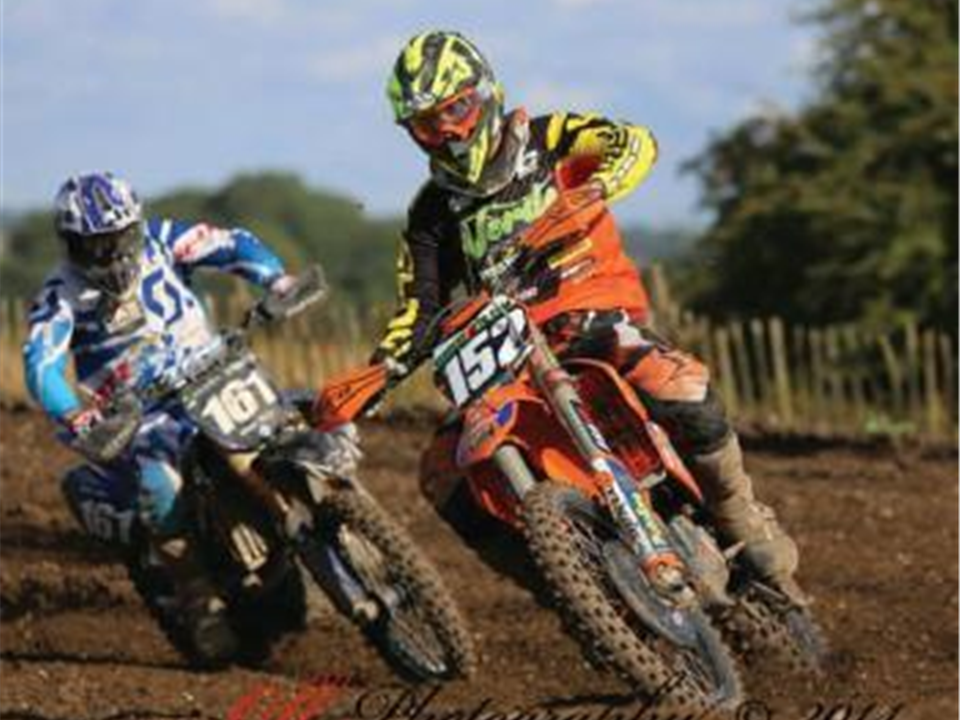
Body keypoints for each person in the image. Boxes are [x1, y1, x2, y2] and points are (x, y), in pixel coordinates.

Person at [369, 30, 805, 603]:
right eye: (427, 124)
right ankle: (566, 590)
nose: (447, 130)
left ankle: (738, 512)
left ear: (485, 94)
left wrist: (594, 188)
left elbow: (634, 142)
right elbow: (419, 308)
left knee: (675, 382)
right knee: (442, 471)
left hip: (587, 307)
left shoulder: (548, 137)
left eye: (456, 109)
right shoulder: (430, 214)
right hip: (508, 351)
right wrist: (376, 372)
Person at [22, 171, 296, 662]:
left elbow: (229, 244)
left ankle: (320, 503)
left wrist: (274, 277)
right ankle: (199, 601)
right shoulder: (61, 295)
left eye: (118, 240)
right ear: (71, 245)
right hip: (140, 412)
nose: (111, 256)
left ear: (135, 227)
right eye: (94, 247)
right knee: (158, 484)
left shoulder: (165, 239)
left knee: (293, 415)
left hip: (211, 370)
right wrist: (75, 415)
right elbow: (41, 365)